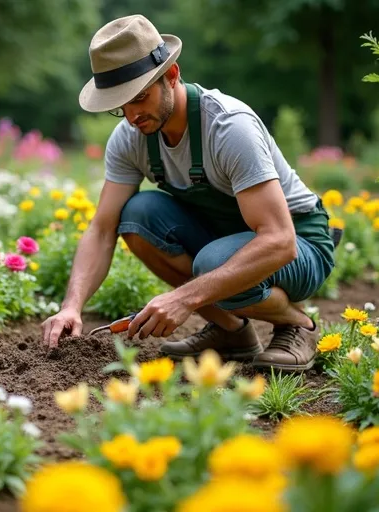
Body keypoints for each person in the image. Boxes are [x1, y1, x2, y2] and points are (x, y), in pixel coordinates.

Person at [40, 14, 336, 371]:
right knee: (137, 216)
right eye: (121, 106)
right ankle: (231, 332)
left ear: (172, 76)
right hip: (229, 240)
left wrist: (183, 299)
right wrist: (72, 306)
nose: (133, 116)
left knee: (212, 263)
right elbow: (102, 229)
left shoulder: (228, 127)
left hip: (299, 244)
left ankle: (297, 325)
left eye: (141, 97)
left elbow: (280, 240)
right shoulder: (131, 138)